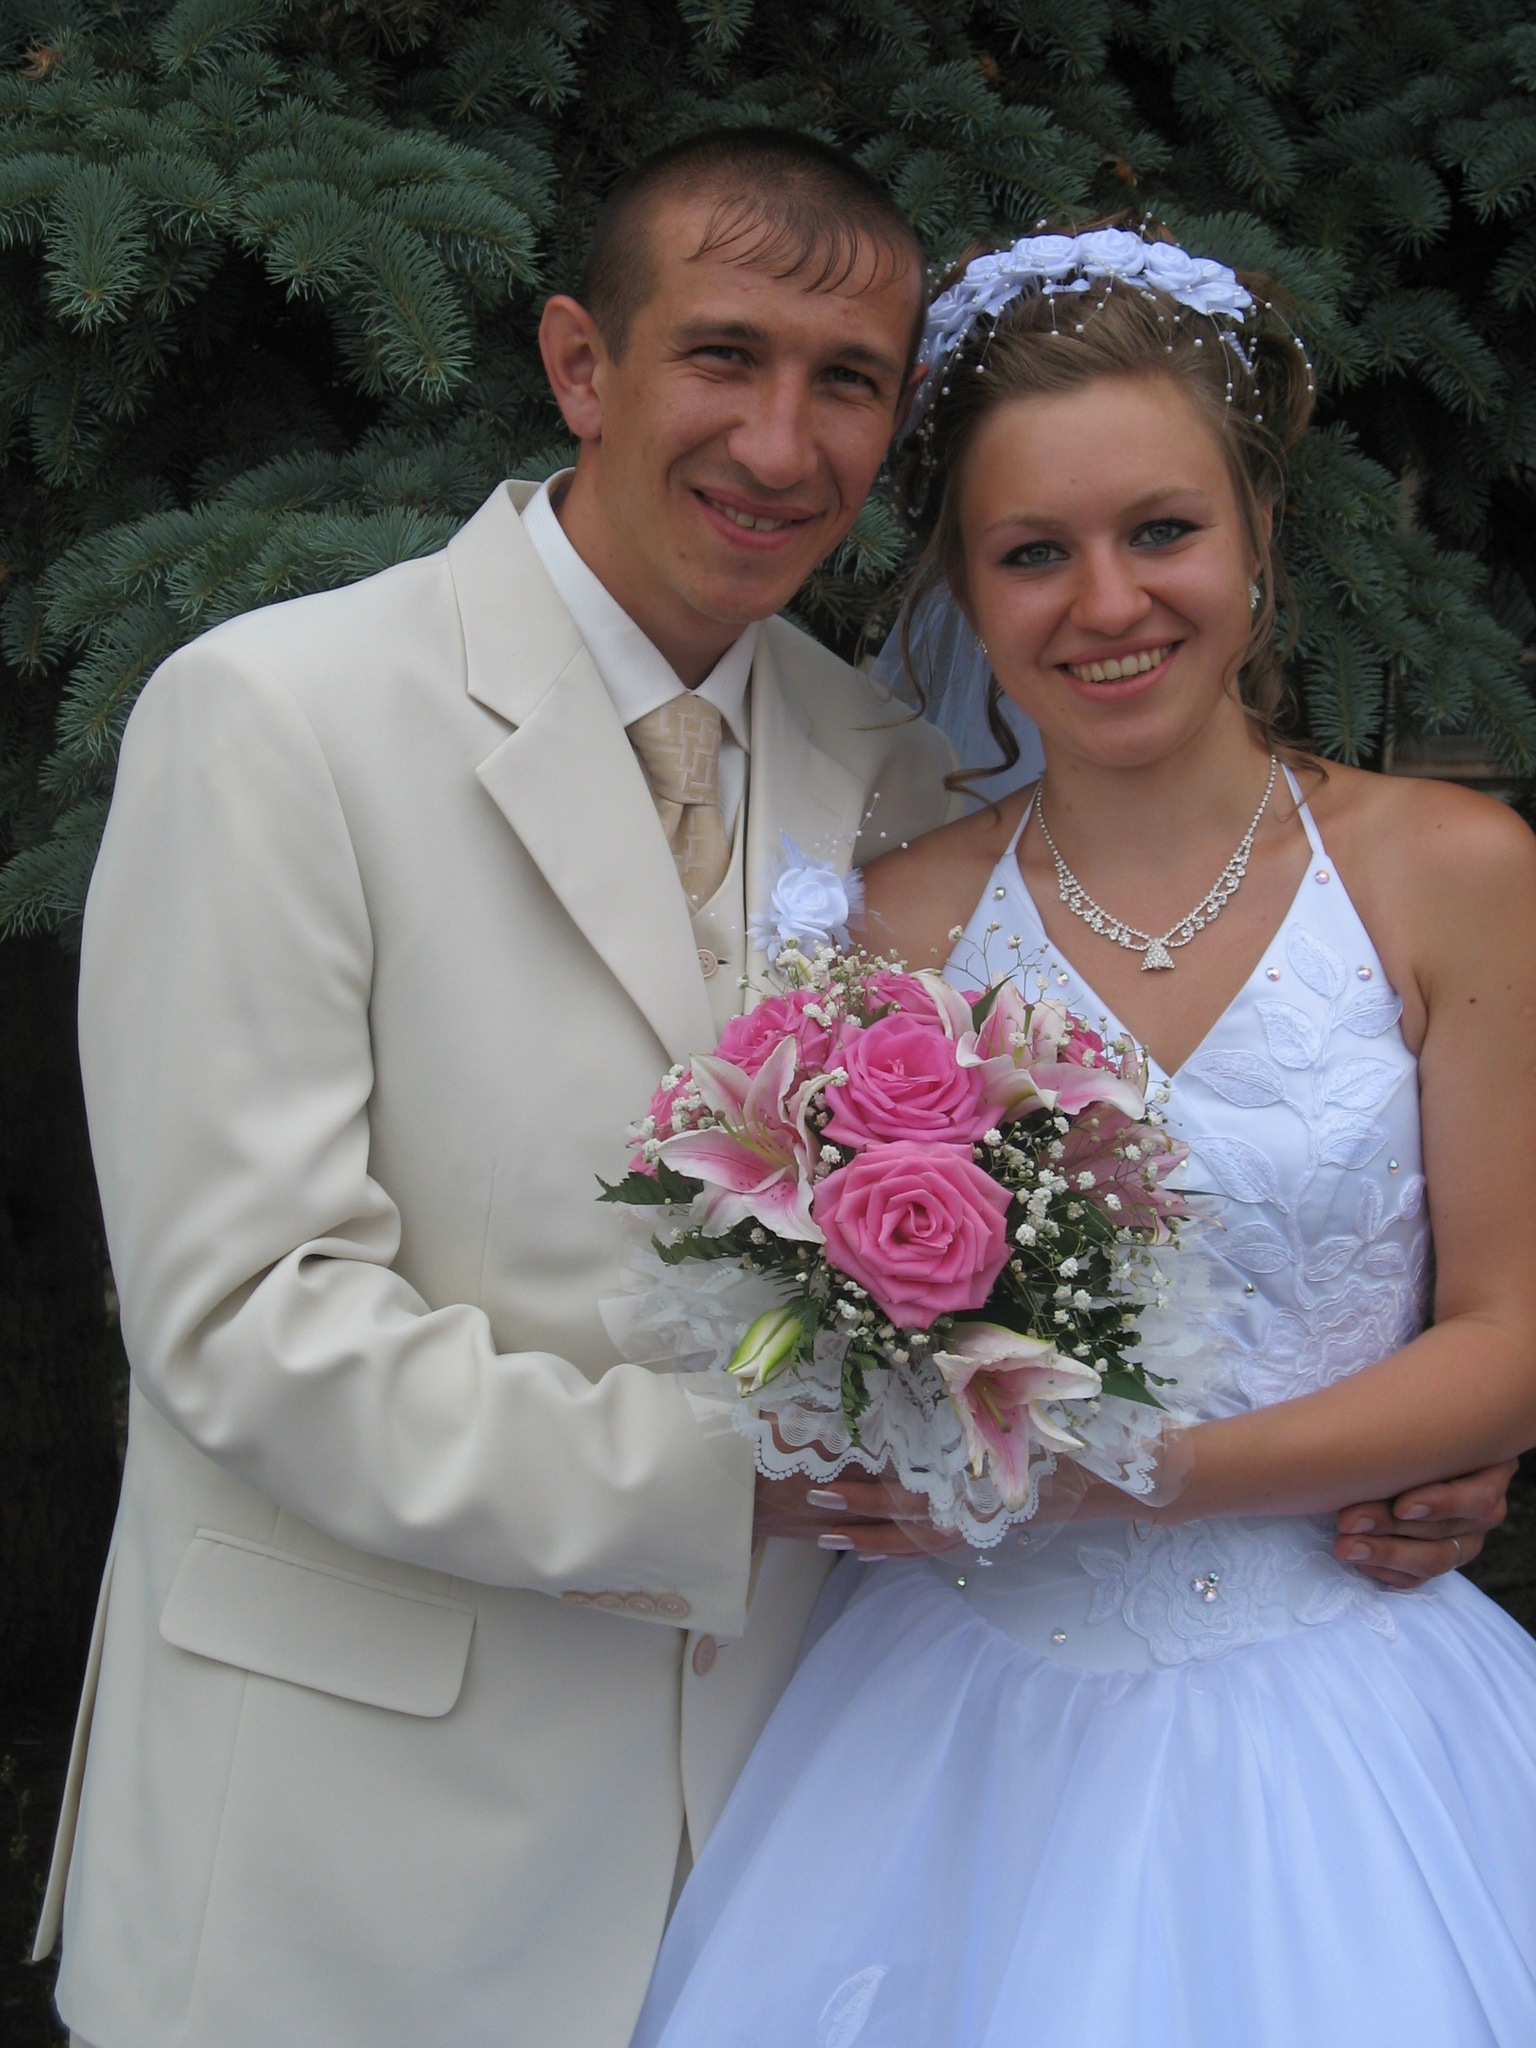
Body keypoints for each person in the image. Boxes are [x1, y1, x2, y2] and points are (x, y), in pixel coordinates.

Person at [35, 143, 1506, 2044]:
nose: (779, 441)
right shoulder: (277, 715)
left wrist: (1383, 1449)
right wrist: (752, 1485)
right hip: (367, 1849)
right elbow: (241, 1316)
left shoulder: (885, 771)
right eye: (724, 356)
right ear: (583, 364)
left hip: (799, 1829)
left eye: (847, 382)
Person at [631, 226, 1536, 2048]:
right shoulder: (892, 927)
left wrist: (1136, 1473)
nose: (1107, 602)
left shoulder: (1449, 871)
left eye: (1163, 530)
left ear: (1257, 534)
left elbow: (1510, 1333)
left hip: (1343, 1699)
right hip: (957, 1715)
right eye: (1033, 553)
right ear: (966, 593)